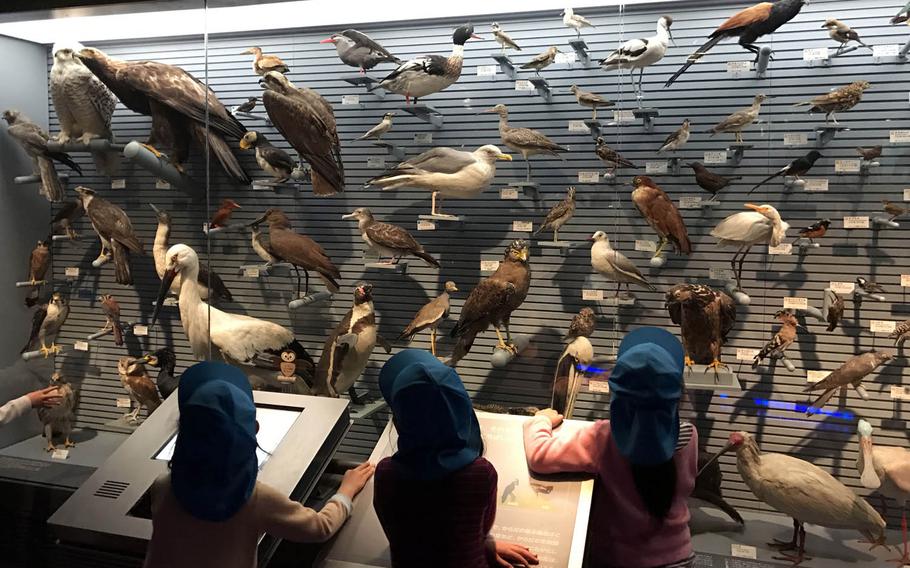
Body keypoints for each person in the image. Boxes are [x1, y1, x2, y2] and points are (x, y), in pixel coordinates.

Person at [143, 361, 374, 568]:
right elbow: (320, 528)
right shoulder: (254, 498)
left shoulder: (163, 487)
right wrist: (345, 492)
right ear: (253, 429)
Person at [523, 327, 698, 568]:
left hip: (618, 560)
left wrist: (541, 419)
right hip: (679, 556)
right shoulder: (690, 436)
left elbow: (539, 455)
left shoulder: (603, 438)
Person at [373, 349, 538, 568]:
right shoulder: (481, 473)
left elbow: (395, 533)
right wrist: (484, 546)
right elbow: (481, 529)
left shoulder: (387, 474)